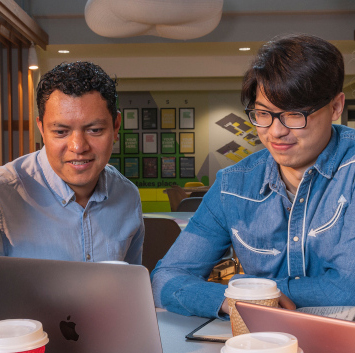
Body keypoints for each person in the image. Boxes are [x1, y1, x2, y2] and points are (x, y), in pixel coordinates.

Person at [151, 33, 355, 319]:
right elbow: (167, 277)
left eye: (294, 114)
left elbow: (348, 287)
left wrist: (254, 293)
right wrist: (229, 301)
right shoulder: (232, 185)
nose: (275, 131)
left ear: (335, 107)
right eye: (262, 113)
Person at [0, 61, 144, 263]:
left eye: (94, 130)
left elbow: (129, 286)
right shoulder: (5, 196)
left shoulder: (127, 195)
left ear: (116, 126)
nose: (78, 147)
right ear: (41, 129)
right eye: (60, 132)